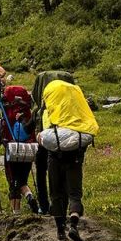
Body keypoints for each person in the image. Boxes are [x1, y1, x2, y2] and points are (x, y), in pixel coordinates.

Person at [38, 77, 98, 241]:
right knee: (74, 194)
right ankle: (73, 225)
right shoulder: (80, 113)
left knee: (56, 193)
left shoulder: (49, 111)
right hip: (75, 158)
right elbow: (89, 133)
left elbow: (42, 136)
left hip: (54, 158)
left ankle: (60, 231)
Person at [30, 68, 76, 215]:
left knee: (42, 171)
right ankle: (66, 205)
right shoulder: (71, 107)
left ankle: (45, 206)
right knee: (66, 176)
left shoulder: (41, 109)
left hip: (46, 144)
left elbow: (30, 125)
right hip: (69, 144)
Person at [0, 82, 40, 215]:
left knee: (13, 181)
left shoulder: (5, 118)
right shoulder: (28, 115)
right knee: (23, 180)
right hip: (28, 149)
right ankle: (30, 197)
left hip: (12, 150)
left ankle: (16, 212)